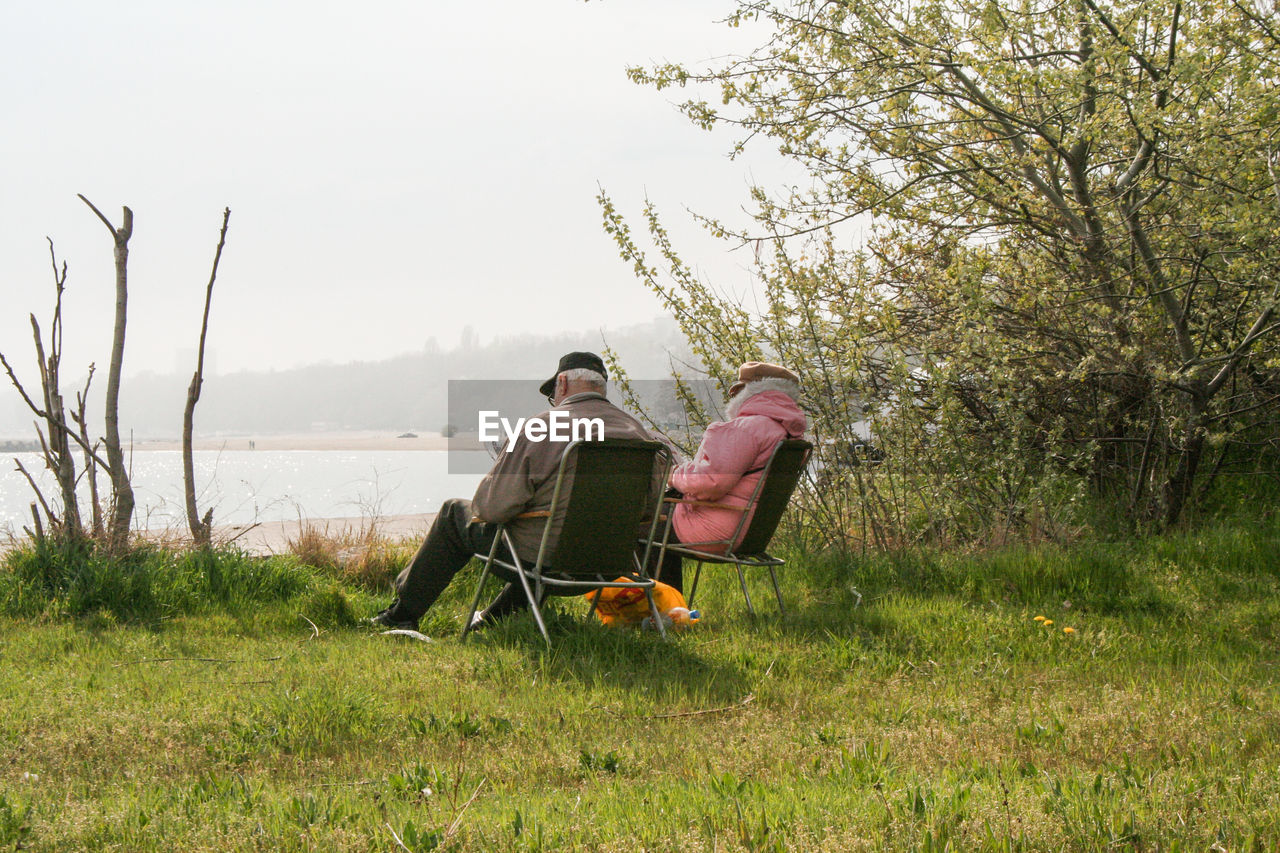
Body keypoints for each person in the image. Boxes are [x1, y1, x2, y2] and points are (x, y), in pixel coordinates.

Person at [368, 351, 658, 631]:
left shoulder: (543, 427)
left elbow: (491, 508)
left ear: (563, 384)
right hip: (609, 566)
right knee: (546, 530)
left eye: (553, 394)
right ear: (601, 387)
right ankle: (495, 621)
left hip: (546, 562)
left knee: (454, 513)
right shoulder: (637, 431)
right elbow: (652, 507)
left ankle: (401, 615)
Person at [653, 361, 808, 593]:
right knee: (657, 524)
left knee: (640, 522)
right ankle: (667, 609)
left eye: (736, 390)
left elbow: (711, 482)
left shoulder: (746, 428)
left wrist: (672, 474)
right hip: (752, 531)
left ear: (748, 392)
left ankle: (660, 611)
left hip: (715, 530)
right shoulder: (789, 435)